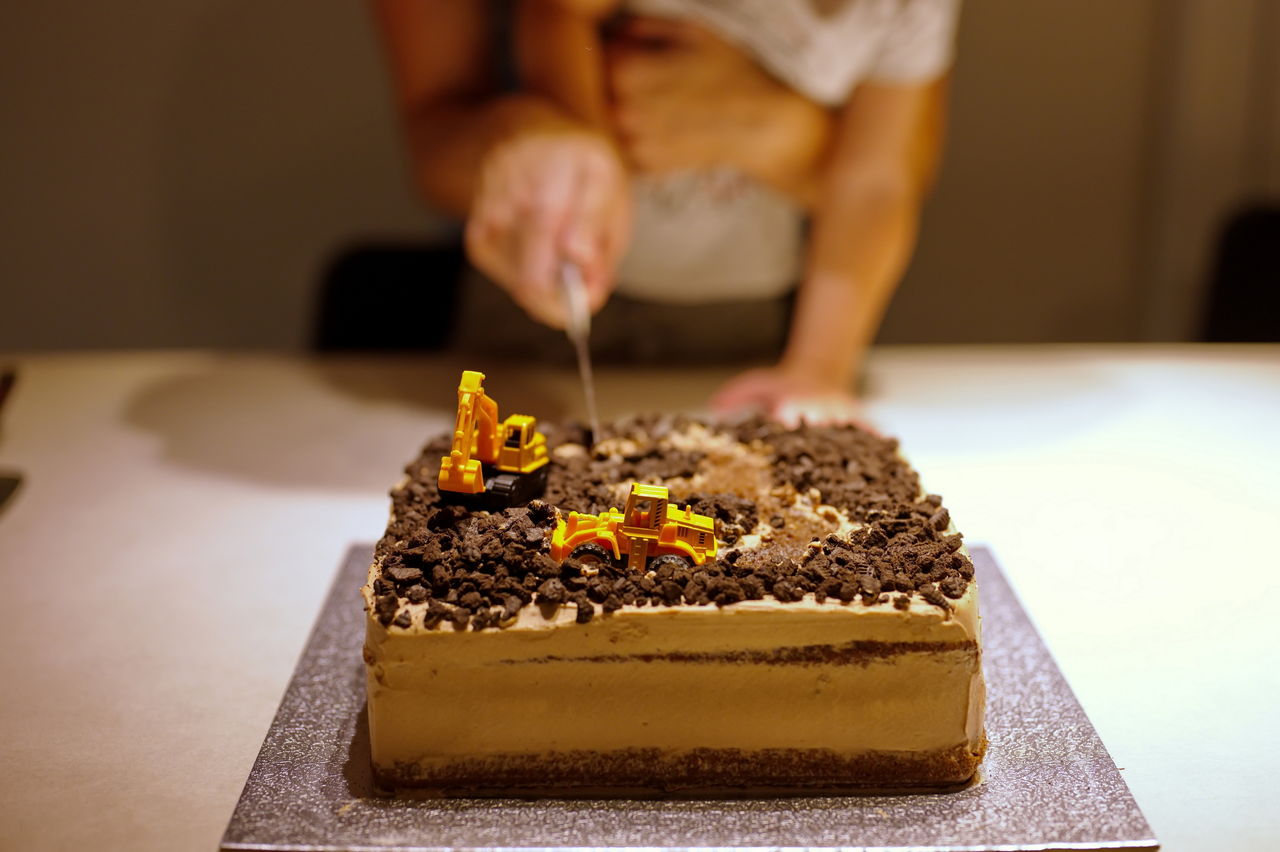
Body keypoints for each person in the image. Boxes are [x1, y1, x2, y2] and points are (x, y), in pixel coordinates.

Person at [372, 0, 958, 424]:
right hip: (532, 321)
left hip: (745, 322)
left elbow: (877, 182)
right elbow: (555, 13)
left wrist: (820, 367)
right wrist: (583, 145)